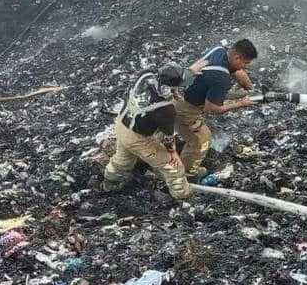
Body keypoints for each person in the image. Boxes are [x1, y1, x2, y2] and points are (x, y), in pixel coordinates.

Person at [176, 38, 258, 181]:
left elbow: (238, 72)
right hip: (186, 107)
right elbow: (211, 109)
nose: (244, 67)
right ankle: (186, 175)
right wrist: (240, 104)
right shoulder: (221, 78)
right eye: (245, 63)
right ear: (237, 57)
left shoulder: (219, 50)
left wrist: (250, 89)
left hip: (180, 91)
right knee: (202, 140)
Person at [103, 64, 190, 200]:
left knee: (122, 160)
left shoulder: (145, 75)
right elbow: (168, 138)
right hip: (137, 138)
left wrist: (174, 93)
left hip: (122, 123)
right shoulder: (165, 110)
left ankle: (109, 184)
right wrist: (173, 154)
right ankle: (182, 198)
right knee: (175, 170)